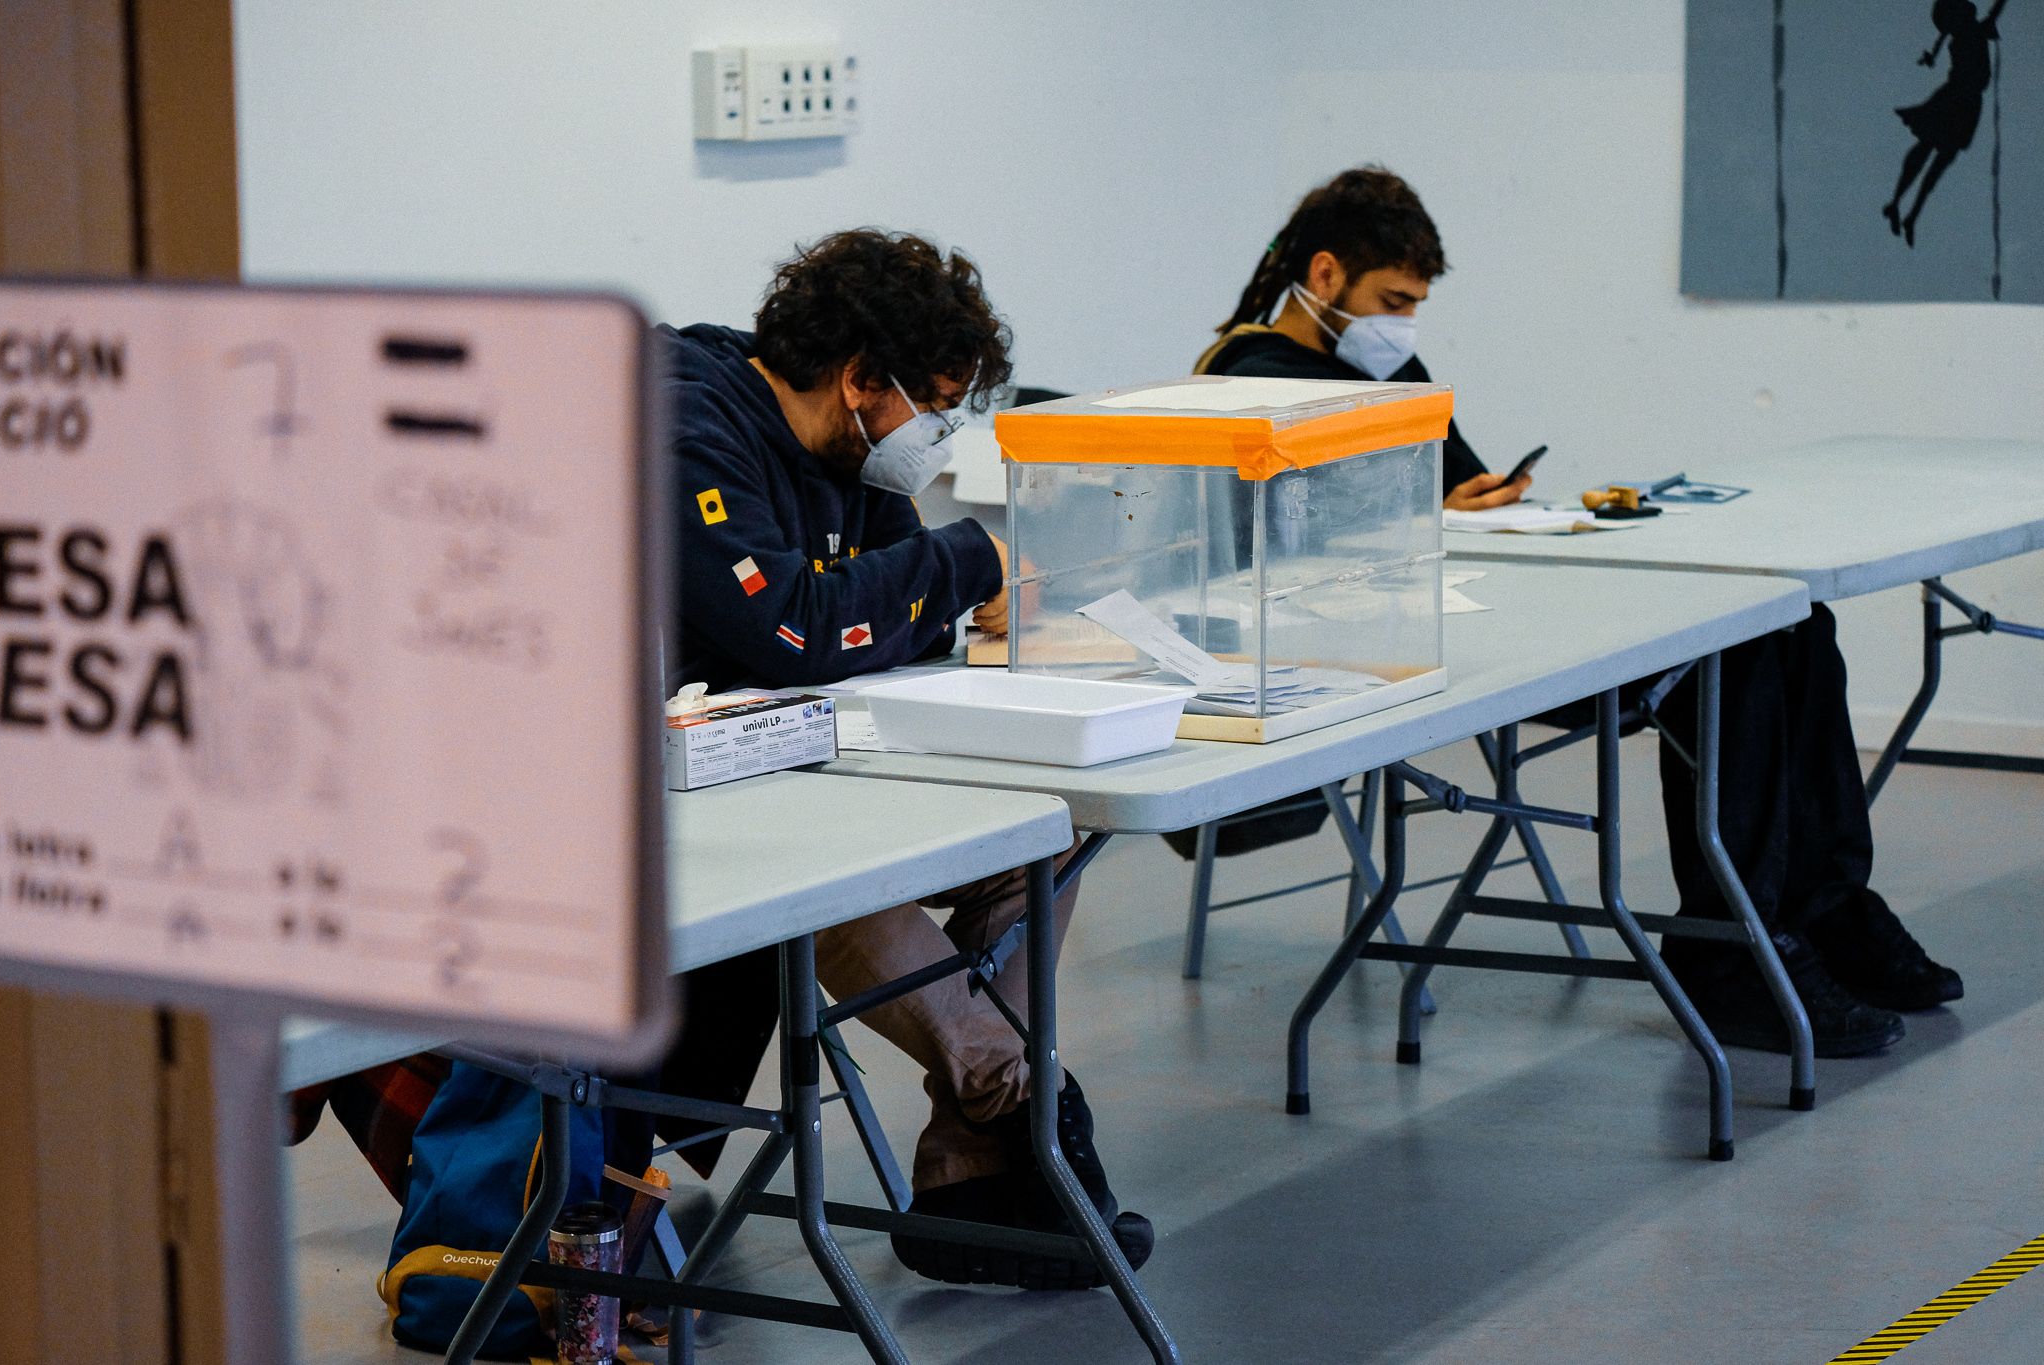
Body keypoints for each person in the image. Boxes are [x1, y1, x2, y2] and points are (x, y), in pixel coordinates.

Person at [1198, 166, 1962, 1057]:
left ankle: (1827, 910)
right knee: (1739, 653)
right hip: (1404, 641)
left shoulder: (1390, 366)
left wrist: (1478, 502)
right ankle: (1734, 953)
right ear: (1325, 276)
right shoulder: (1244, 384)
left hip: (1480, 597)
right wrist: (1438, 517)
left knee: (1794, 622)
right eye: (1392, 299)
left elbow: (1451, 492)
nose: (1402, 326)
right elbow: (1279, 555)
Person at [663, 227, 1150, 1288]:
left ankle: (970, 1161)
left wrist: (950, 595)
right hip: (674, 804)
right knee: (839, 879)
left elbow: (890, 603)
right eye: (929, 406)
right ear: (857, 381)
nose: (934, 438)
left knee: (1047, 836)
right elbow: (787, 628)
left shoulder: (848, 452)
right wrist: (963, 559)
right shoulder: (685, 418)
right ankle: (1012, 1102)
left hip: (808, 764)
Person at [1884, 0, 2008, 247]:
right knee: (1930, 150)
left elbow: (1944, 38)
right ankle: (1900, 206)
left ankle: (1908, 212)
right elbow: (1994, 11)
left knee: (1937, 156)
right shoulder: (1970, 32)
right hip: (1958, 99)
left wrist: (1932, 56)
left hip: (1966, 103)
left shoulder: (1963, 33)